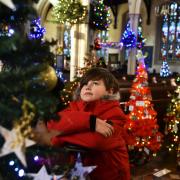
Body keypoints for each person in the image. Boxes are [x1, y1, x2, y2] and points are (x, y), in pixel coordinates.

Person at [33, 67, 130, 180]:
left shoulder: (115, 113)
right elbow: (52, 123)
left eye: (95, 83)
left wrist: (63, 134)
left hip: (109, 175)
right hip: (79, 173)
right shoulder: (74, 107)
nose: (88, 86)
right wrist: (90, 121)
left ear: (110, 91)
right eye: (85, 84)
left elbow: (96, 141)